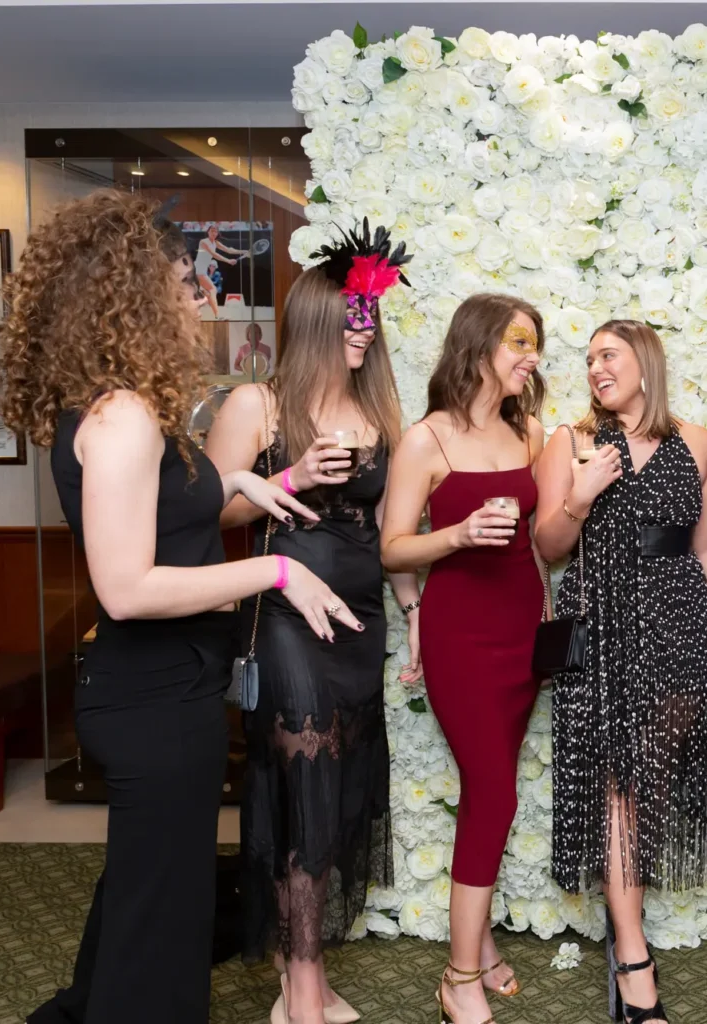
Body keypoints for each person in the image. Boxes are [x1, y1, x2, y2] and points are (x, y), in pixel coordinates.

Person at [0, 190, 355, 1024]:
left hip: (166, 689)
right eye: (187, 283)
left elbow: (164, 516)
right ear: (135, 293)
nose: (201, 298)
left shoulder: (122, 403)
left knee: (144, 896)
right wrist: (274, 574)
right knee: (162, 921)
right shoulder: (123, 416)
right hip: (150, 698)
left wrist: (252, 481)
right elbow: (127, 588)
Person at [205, 221, 413, 1024]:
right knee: (306, 796)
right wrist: (290, 475)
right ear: (320, 319)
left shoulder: (377, 410)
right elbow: (208, 513)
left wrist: (413, 614)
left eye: (371, 318)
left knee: (343, 796)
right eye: (352, 317)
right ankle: (299, 988)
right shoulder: (258, 403)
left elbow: (389, 532)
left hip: (360, 619)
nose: (364, 330)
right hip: (288, 617)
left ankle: (306, 968)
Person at [533, 320, 707, 1024]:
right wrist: (580, 495)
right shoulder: (571, 442)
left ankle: (625, 933)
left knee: (650, 783)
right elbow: (548, 545)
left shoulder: (697, 443)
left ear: (645, 362)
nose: (595, 368)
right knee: (618, 783)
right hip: (603, 628)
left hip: (678, 626)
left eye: (608, 355)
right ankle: (634, 956)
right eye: (588, 359)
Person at [381, 294, 550, 1024]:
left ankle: (477, 947)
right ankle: (458, 976)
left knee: (490, 793)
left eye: (535, 345)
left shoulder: (530, 431)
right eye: (519, 343)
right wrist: (456, 535)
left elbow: (540, 541)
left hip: (523, 632)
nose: (531, 358)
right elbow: (392, 548)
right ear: (478, 347)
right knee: (495, 793)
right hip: (462, 636)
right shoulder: (426, 440)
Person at [195, 223, 248, 319]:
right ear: (208, 232)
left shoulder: (216, 243)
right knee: (213, 290)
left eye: (215, 231)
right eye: (212, 231)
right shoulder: (203, 242)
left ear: (217, 233)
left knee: (209, 293)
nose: (214, 233)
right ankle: (217, 315)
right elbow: (214, 254)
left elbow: (229, 250)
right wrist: (228, 261)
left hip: (201, 270)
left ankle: (201, 303)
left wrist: (244, 251)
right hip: (198, 269)